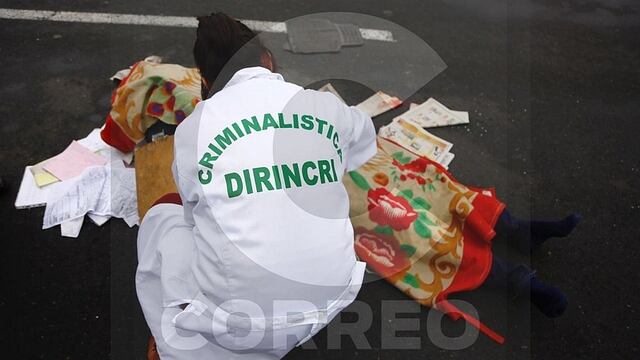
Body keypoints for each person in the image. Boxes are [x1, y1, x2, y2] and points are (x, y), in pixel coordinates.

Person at [136, 13, 376, 359]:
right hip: (332, 294)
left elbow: (193, 216)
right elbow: (364, 140)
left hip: (242, 321)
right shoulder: (324, 106)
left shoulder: (195, 129)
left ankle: (171, 336)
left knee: (162, 218)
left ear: (204, 79)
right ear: (268, 61)